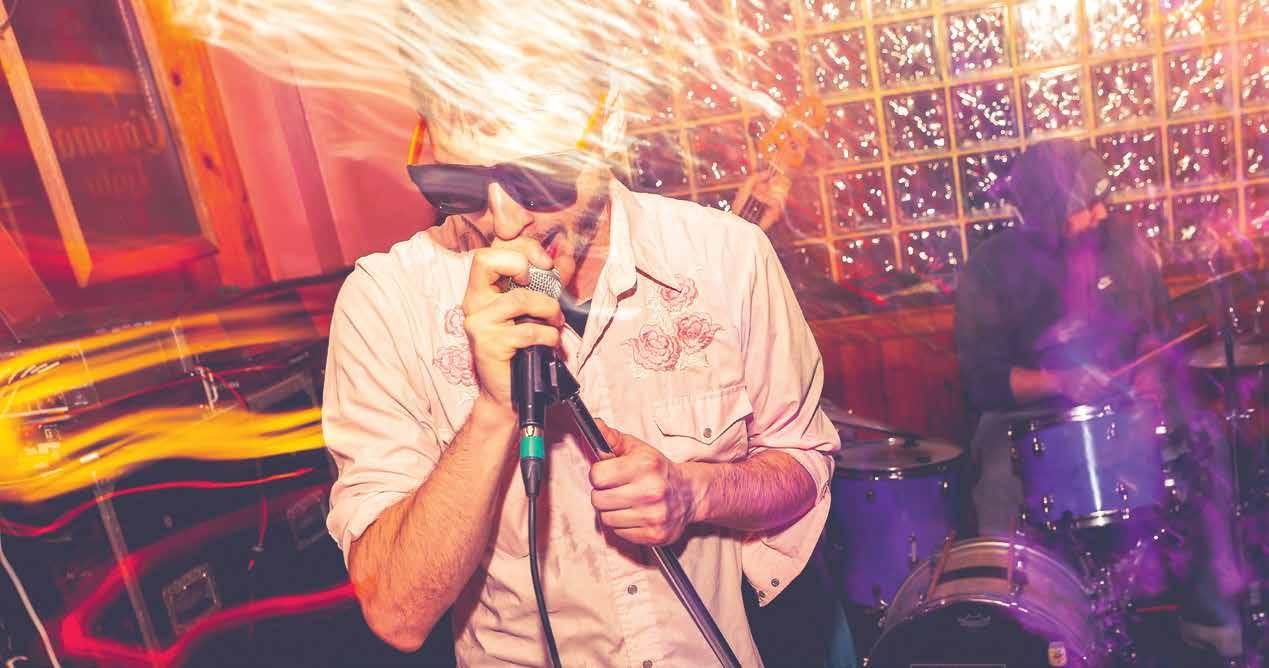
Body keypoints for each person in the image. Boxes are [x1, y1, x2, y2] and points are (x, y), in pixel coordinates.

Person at [320, 65, 841, 666]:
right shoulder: (385, 304)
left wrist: (695, 492)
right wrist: (493, 411)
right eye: (458, 185)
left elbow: (804, 464)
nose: (504, 221)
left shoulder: (727, 256)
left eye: (537, 178)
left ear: (608, 123)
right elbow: (396, 612)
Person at [955, 138, 1244, 661]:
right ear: (1046, 212)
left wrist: (1151, 373)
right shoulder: (992, 267)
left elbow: (1155, 331)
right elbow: (983, 382)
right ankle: (1020, 633)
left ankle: (1207, 611)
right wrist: (1061, 382)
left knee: (1205, 439)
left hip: (1125, 408)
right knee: (994, 478)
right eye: (1087, 204)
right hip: (1030, 420)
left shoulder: (1125, 244)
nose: (1102, 212)